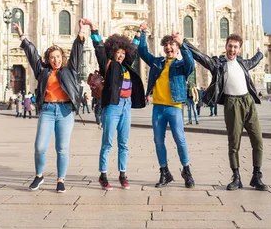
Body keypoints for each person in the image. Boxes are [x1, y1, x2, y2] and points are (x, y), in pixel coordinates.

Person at [187, 36, 267, 191]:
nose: (232, 49)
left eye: (235, 47)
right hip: (232, 104)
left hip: (248, 102)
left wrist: (260, 54)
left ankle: (256, 176)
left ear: (239, 49)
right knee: (234, 143)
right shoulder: (218, 64)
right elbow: (201, 57)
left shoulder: (243, 63)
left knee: (258, 141)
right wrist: (184, 42)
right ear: (226, 46)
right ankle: (236, 177)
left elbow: (254, 61)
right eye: (230, 46)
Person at [14, 20, 85, 193]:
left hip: (65, 111)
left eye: (58, 57)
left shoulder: (70, 70)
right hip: (47, 110)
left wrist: (81, 32)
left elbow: (77, 51)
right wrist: (21, 35)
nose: (56, 60)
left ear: (62, 58)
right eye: (52, 57)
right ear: (48, 59)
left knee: (62, 148)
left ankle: (61, 180)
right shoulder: (42, 71)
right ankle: (39, 176)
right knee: (40, 146)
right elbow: (32, 54)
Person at [87, 20, 145, 190]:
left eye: (123, 52)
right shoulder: (108, 64)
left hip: (126, 106)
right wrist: (93, 28)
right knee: (107, 142)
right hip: (112, 106)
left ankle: (122, 175)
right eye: (118, 52)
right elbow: (98, 47)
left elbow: (133, 49)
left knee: (124, 143)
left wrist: (138, 33)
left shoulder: (127, 65)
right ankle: (103, 175)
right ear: (113, 52)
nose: (121, 55)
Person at [138, 22, 196, 188]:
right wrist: (142, 34)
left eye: (172, 44)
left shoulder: (180, 65)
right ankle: (165, 172)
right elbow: (142, 52)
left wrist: (183, 43)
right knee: (158, 140)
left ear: (177, 48)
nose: (169, 47)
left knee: (180, 139)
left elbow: (190, 64)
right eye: (166, 44)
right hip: (158, 108)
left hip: (174, 107)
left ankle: (187, 170)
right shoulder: (157, 62)